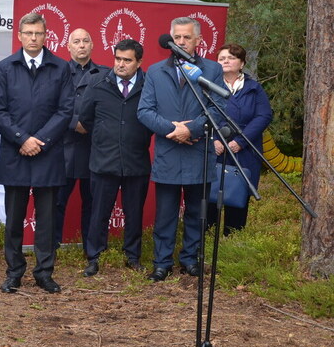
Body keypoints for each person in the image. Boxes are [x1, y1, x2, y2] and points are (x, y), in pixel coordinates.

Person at [137, 17, 226, 282]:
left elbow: (217, 110)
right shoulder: (155, 71)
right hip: (168, 153)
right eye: (177, 37)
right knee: (165, 213)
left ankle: (191, 260)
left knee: (197, 213)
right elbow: (144, 111)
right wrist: (172, 129)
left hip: (199, 152)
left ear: (198, 41)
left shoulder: (211, 70)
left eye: (187, 37)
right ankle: (162, 263)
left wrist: (193, 129)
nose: (181, 42)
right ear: (171, 39)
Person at [0, 13, 73, 294]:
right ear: (20, 35)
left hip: (47, 155)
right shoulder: (5, 68)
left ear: (46, 34)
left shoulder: (61, 68)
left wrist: (40, 140)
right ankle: (14, 272)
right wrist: (22, 139)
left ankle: (44, 272)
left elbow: (65, 110)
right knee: (14, 219)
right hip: (15, 154)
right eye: (28, 33)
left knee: (47, 220)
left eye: (38, 33)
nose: (33, 38)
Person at [78, 39, 152, 276]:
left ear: (139, 62)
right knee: (98, 212)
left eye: (127, 60)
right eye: (118, 59)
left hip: (136, 161)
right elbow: (85, 118)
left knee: (134, 212)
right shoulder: (98, 82)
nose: (121, 64)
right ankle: (94, 257)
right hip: (103, 161)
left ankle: (133, 256)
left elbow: (154, 118)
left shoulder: (149, 85)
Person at [207, 43, 273, 234]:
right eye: (222, 58)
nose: (226, 61)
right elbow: (200, 112)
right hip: (215, 149)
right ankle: (207, 245)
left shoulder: (254, 88)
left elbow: (263, 116)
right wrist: (214, 140)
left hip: (244, 151)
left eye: (231, 57)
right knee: (209, 202)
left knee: (238, 203)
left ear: (242, 63)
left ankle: (232, 248)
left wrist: (241, 142)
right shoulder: (208, 86)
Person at [54, 28, 110, 252]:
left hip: (93, 148)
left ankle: (93, 251)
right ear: (68, 46)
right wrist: (73, 122)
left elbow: (108, 109)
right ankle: (50, 248)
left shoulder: (105, 73)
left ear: (92, 45)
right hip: (62, 149)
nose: (81, 45)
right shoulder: (57, 72)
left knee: (93, 204)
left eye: (86, 40)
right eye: (76, 41)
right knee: (56, 202)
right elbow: (49, 105)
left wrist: (88, 125)